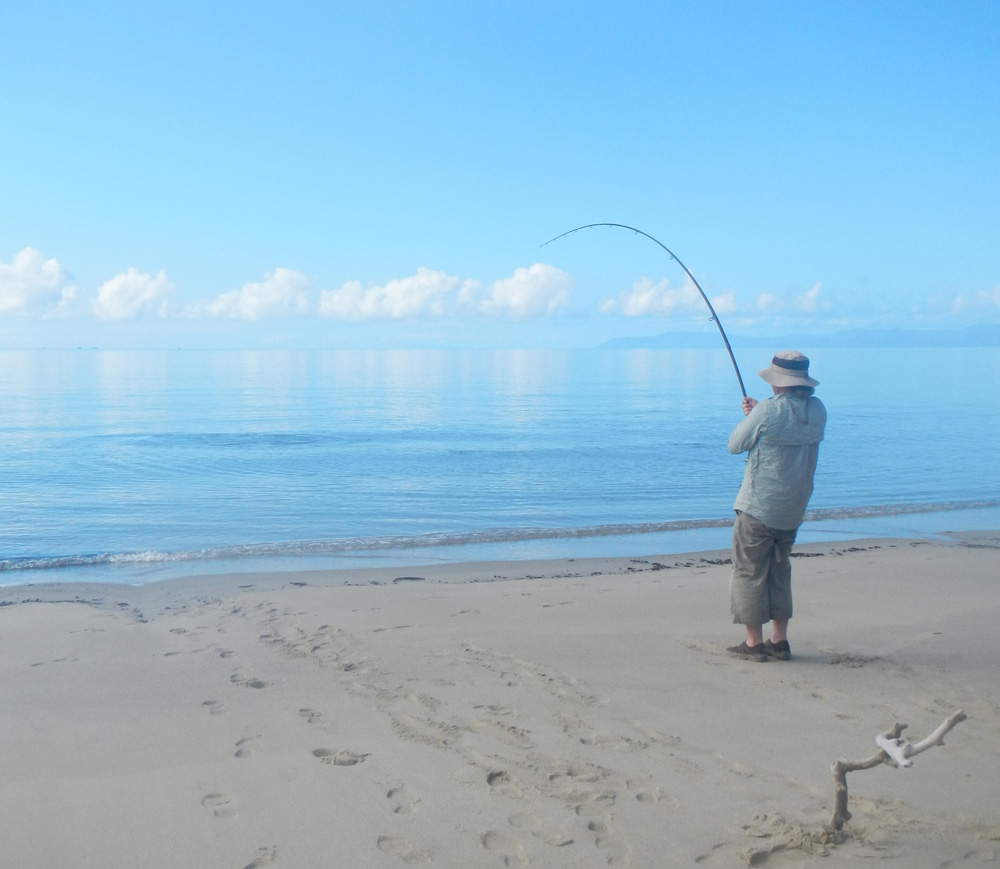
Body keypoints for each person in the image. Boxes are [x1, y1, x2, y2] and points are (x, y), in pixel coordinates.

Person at [726, 351, 827, 661]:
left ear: (778, 382)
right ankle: (779, 641)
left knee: (749, 571)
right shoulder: (818, 409)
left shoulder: (768, 411)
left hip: (759, 505)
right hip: (793, 507)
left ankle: (754, 644)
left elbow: (735, 444)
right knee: (780, 571)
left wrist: (755, 417)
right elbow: (788, 425)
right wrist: (759, 415)